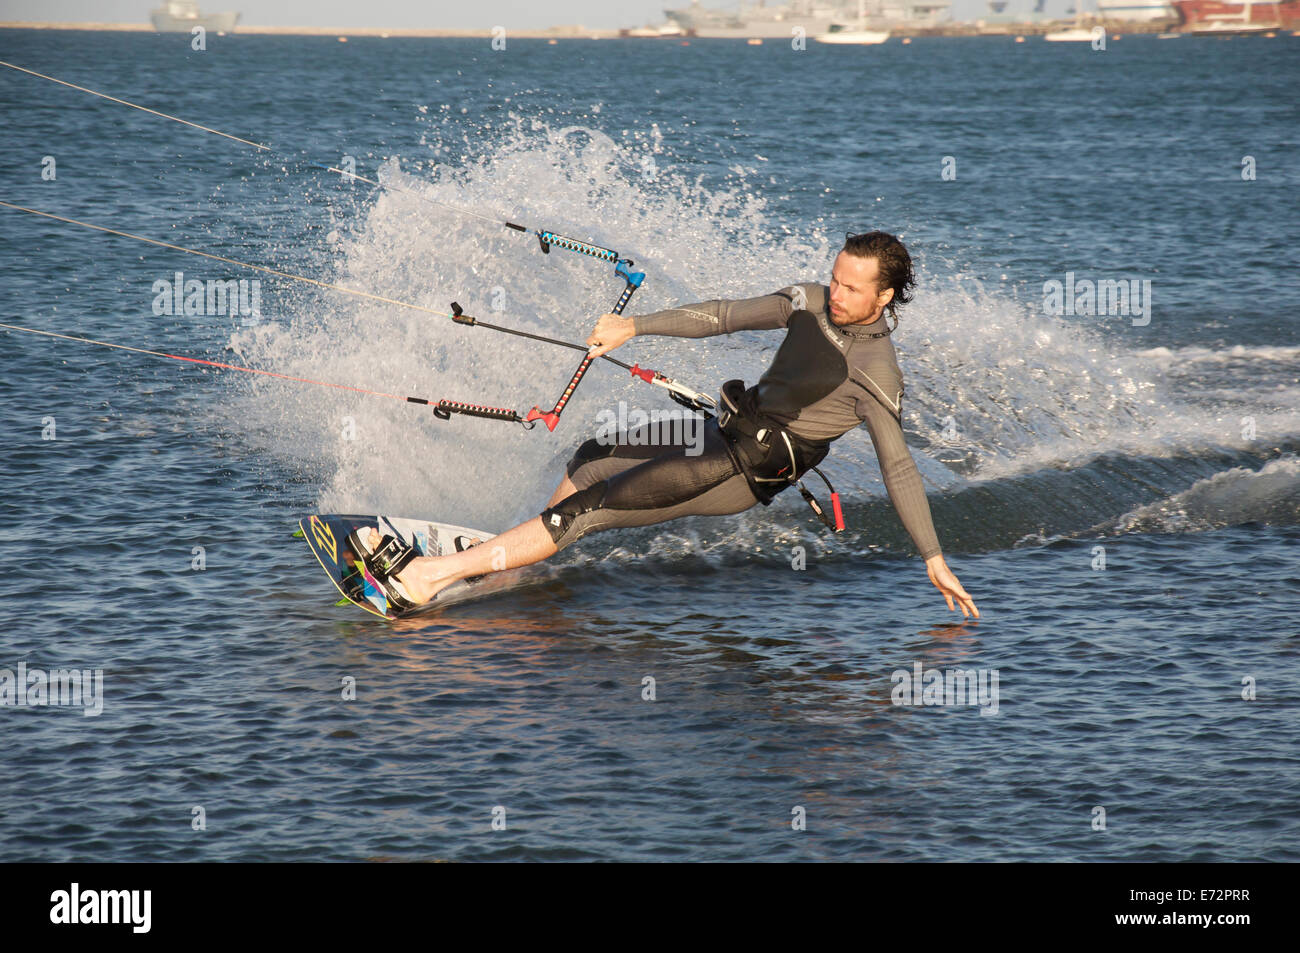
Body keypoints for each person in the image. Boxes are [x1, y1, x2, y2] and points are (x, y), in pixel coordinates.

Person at [362, 231, 978, 618]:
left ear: (885, 296)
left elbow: (898, 466)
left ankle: (427, 579)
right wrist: (634, 326)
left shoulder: (876, 374)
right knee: (590, 459)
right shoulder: (809, 301)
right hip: (722, 431)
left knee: (587, 510)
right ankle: (519, 560)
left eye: (851, 289)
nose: (835, 294)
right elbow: (723, 316)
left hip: (738, 472)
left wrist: (932, 556)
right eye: (836, 278)